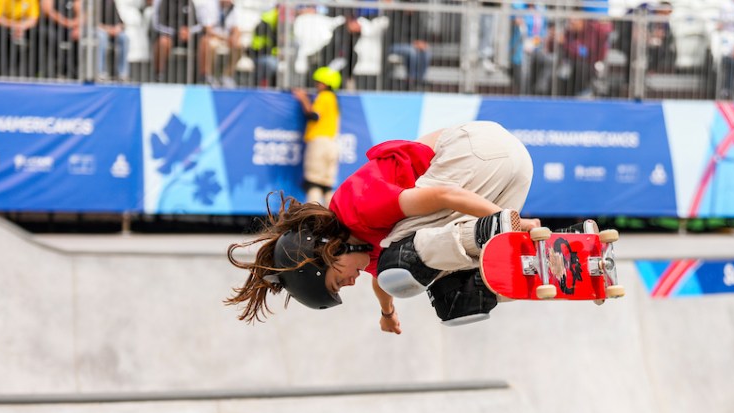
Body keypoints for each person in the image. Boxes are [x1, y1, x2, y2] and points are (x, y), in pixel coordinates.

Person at [226, 121, 539, 332]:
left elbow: (445, 195)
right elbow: (382, 284)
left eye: (337, 282)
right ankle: (540, 265)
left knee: (399, 262)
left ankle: (494, 229)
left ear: (326, 252)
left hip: (480, 151)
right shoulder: (367, 249)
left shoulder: (357, 209)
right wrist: (386, 313)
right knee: (453, 299)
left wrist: (509, 220)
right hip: (513, 170)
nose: (350, 283)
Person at [293, 66, 342, 207]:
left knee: (313, 183)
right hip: (332, 143)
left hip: (319, 143)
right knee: (327, 185)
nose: (317, 85)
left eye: (319, 82)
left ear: (326, 83)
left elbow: (313, 115)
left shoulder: (325, 96)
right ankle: (332, 219)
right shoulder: (334, 100)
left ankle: (312, 220)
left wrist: (303, 98)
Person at [0, 0, 41, 77]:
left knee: (39, 34)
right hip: (4, 27)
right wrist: (14, 25)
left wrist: (21, 27)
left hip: (23, 28)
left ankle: (28, 72)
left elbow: (33, 20)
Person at [152, 0, 201, 82]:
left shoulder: (190, 3)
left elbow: (198, 25)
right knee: (163, 42)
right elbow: (157, 24)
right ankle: (158, 76)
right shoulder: (163, 2)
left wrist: (189, 31)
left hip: (189, 37)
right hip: (170, 35)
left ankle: (203, 79)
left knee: (205, 42)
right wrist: (176, 32)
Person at [40, 0, 81, 78]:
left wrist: (77, 26)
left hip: (71, 27)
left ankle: (76, 72)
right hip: (51, 26)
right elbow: (47, 10)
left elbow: (82, 12)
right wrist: (66, 22)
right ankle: (51, 72)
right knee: (50, 36)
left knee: (83, 36)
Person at [94, 0, 129, 81]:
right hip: (97, 31)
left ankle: (122, 74)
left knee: (124, 37)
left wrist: (118, 28)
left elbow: (121, 23)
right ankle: (101, 72)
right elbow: (93, 22)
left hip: (111, 32)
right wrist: (109, 30)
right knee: (102, 36)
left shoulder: (110, 2)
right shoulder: (93, 3)